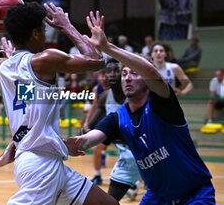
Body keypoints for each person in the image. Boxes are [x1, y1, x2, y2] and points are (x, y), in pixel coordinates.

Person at [0, 0, 118, 205]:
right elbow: (96, 60)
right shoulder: (45, 60)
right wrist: (66, 26)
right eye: (43, 30)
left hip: (44, 160)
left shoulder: (2, 66)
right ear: (34, 34)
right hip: (39, 165)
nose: (45, 34)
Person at [66, 11, 215, 205]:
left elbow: (150, 70)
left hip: (194, 195)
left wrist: (107, 47)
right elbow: (86, 141)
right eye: (124, 73)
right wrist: (64, 144)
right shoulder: (118, 118)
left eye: (134, 73)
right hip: (158, 197)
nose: (127, 77)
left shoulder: (162, 101)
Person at [81, 58, 141, 201]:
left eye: (117, 71)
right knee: (110, 201)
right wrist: (80, 136)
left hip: (147, 154)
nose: (112, 74)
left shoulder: (137, 95)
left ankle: (137, 183)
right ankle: (131, 183)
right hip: (127, 157)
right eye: (109, 71)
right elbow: (90, 127)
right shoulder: (104, 96)